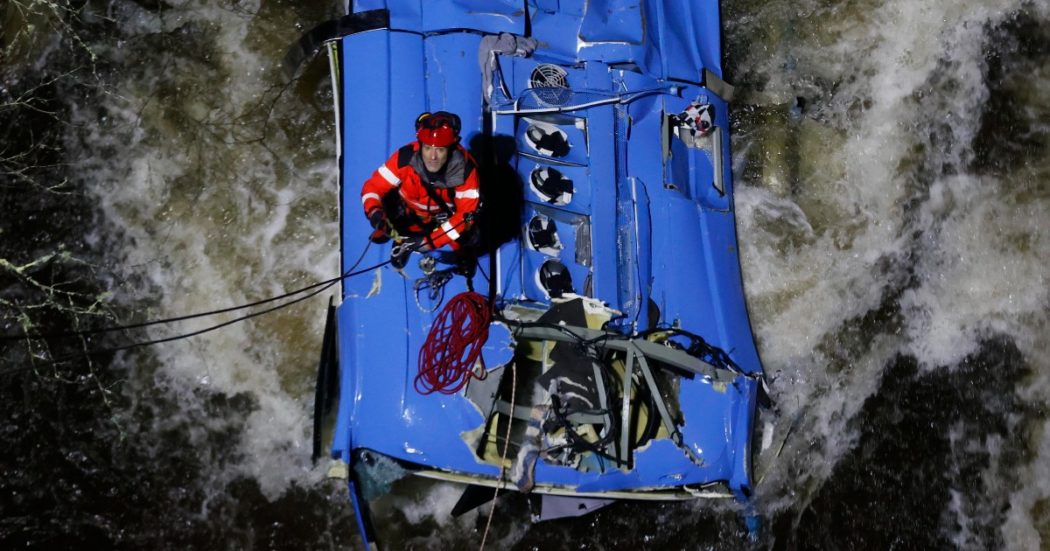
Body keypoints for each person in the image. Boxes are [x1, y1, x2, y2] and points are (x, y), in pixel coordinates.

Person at [361, 111, 481, 270]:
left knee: (468, 233)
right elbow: (373, 187)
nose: (433, 157)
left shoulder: (465, 171)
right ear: (420, 145)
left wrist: (430, 242)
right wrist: (374, 211)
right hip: (408, 211)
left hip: (443, 218)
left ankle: (462, 253)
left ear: (450, 149)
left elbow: (465, 216)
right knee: (392, 216)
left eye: (440, 150)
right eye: (427, 148)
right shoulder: (404, 158)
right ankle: (401, 242)